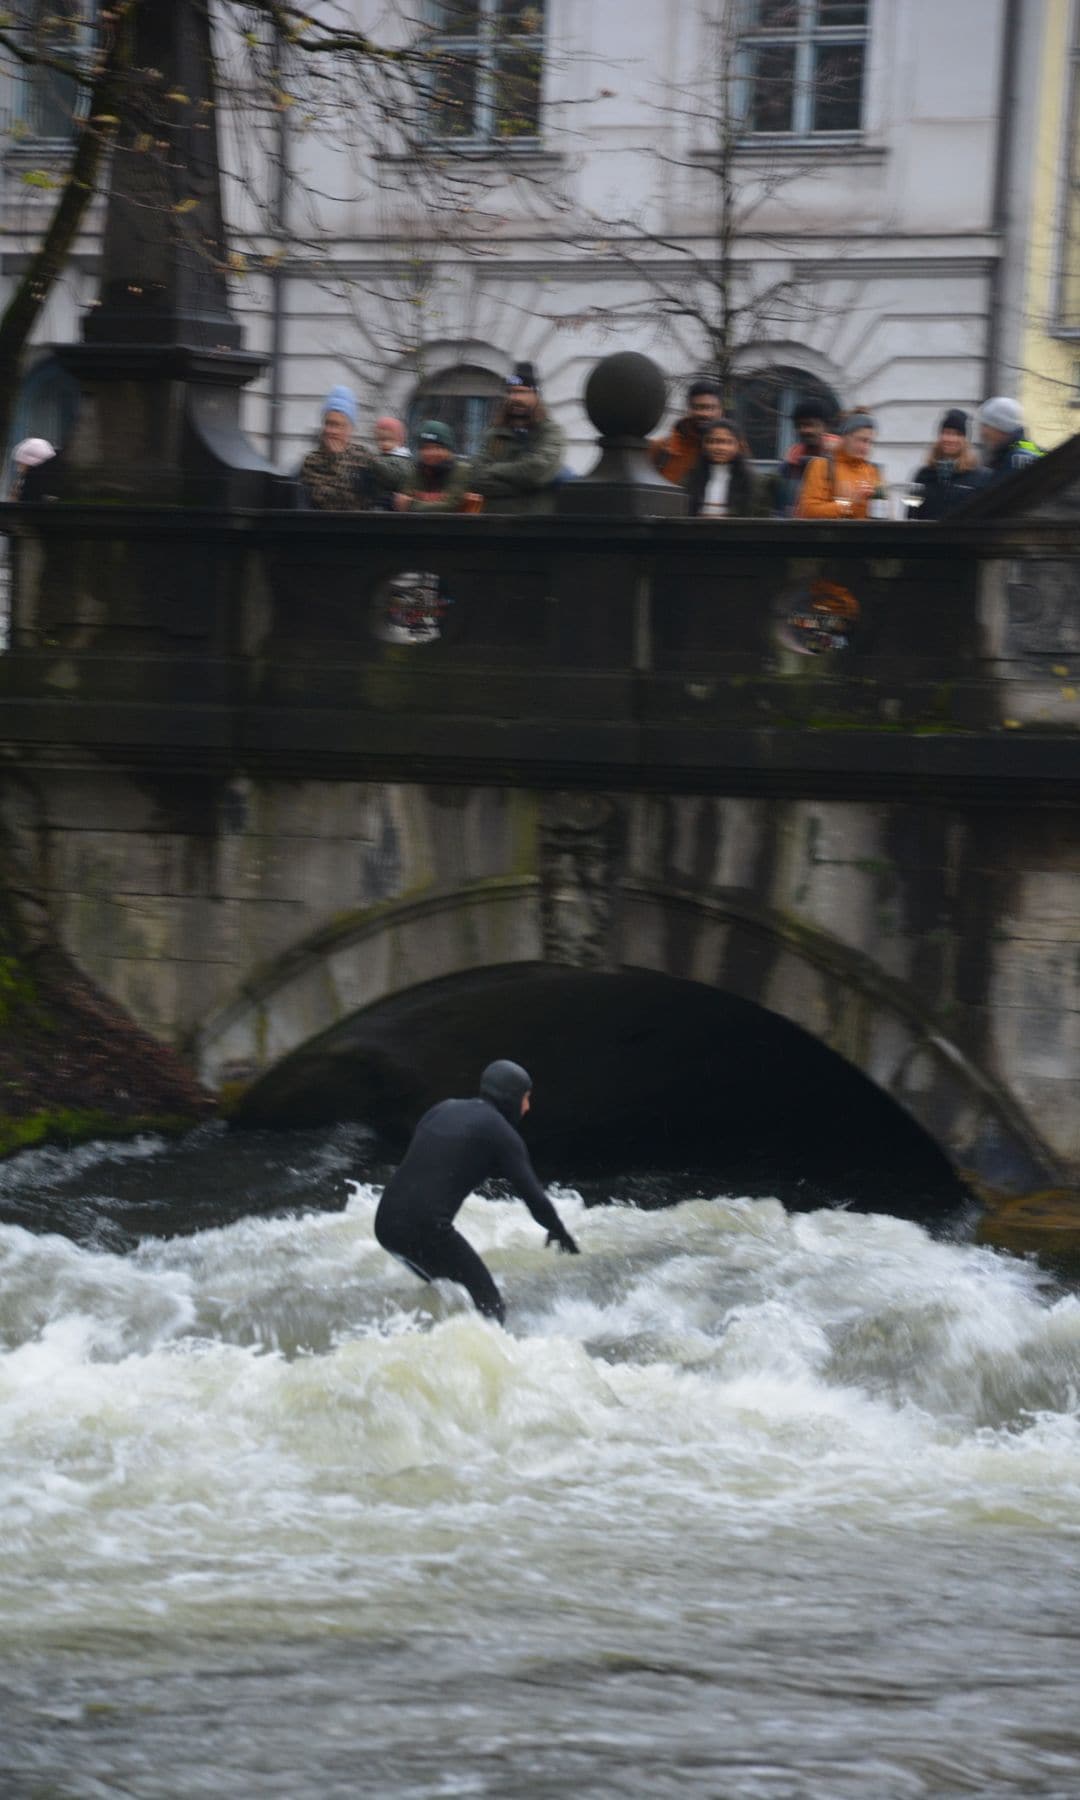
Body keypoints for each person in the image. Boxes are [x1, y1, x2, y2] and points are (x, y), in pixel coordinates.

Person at [374, 1060, 579, 1325]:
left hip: (385, 1223)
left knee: (449, 1293)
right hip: (427, 1229)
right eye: (526, 1098)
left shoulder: (442, 1109)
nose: (527, 1107)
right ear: (511, 1097)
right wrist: (558, 1230)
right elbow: (534, 1197)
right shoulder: (501, 1133)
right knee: (490, 1302)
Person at [471, 363, 567, 514]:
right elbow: (475, 478)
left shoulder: (551, 432)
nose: (515, 398)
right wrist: (529, 487)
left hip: (534, 526)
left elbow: (537, 472)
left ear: (536, 395)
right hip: (495, 526)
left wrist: (493, 470)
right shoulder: (495, 434)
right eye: (511, 392)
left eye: (522, 392)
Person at [299, 384, 408, 512]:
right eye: (328, 423)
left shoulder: (362, 455)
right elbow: (326, 500)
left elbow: (373, 493)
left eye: (338, 425)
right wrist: (337, 459)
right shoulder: (312, 460)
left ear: (350, 429)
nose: (331, 431)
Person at [795, 412, 883, 519]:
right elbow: (808, 510)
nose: (866, 447)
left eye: (870, 442)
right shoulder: (821, 465)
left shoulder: (872, 471)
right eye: (861, 440)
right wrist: (850, 505)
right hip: (831, 535)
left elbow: (883, 515)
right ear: (844, 438)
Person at [908, 409, 988, 519]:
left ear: (965, 440)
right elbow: (911, 516)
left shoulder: (979, 477)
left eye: (957, 434)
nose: (951, 439)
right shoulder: (923, 475)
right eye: (946, 433)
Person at [392, 419, 481, 514]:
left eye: (438, 448)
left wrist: (412, 504)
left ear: (449, 450)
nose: (431, 453)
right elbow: (402, 500)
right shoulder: (417, 471)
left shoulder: (462, 471)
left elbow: (452, 506)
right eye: (425, 448)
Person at [649, 379, 723, 486]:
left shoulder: (734, 450)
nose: (704, 414)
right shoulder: (661, 449)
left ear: (720, 411)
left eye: (710, 408)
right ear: (688, 410)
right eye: (697, 407)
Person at [684, 419, 762, 517]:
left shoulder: (751, 481)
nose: (720, 448)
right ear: (703, 445)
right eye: (712, 441)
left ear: (739, 445)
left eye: (727, 442)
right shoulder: (691, 477)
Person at [767, 401, 830, 516]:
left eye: (810, 424)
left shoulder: (838, 463)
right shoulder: (787, 467)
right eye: (800, 426)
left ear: (824, 427)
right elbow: (778, 511)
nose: (805, 430)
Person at [977, 397, 1043, 486]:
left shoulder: (1014, 461)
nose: (983, 432)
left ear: (1001, 426)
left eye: (986, 425)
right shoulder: (1010, 454)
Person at [9, 436, 56, 501]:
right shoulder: (23, 481)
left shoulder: (34, 484)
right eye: (18, 463)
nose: (18, 469)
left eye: (20, 463)